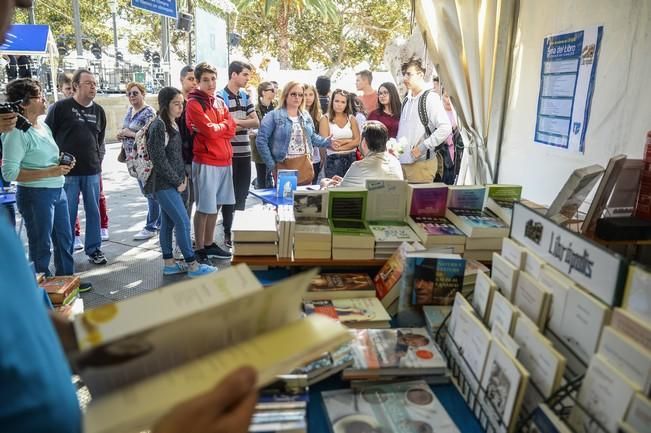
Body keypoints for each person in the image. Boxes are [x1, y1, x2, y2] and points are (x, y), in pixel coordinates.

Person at [1, 78, 75, 277]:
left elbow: (45, 155)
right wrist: (50, 172)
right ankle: (42, 292)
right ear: (23, 104)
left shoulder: (43, 126)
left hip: (56, 190)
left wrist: (60, 162)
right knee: (41, 245)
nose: (44, 98)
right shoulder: (15, 133)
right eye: (38, 95)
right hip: (35, 194)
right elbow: (9, 173)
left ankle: (66, 284)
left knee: (64, 240)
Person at [145, 87, 217, 278]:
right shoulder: (159, 126)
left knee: (168, 224)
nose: (180, 107)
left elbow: (173, 155)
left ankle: (169, 264)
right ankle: (192, 264)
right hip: (164, 184)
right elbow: (158, 159)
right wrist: (177, 180)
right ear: (165, 104)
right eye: (176, 103)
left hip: (173, 182)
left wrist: (181, 177)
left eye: (181, 103)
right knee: (183, 222)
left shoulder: (172, 123)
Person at [45, 68, 109, 265]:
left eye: (95, 83)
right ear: (75, 86)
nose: (93, 87)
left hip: (91, 171)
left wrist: (99, 159)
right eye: (88, 83)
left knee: (93, 211)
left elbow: (100, 139)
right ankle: (65, 253)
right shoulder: (60, 107)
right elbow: (47, 135)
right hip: (67, 172)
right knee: (67, 213)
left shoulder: (98, 111)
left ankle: (94, 249)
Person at [186, 62, 236, 261]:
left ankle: (209, 243)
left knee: (216, 206)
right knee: (204, 207)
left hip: (224, 159)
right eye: (205, 80)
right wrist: (221, 127)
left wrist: (220, 126)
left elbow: (231, 127)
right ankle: (199, 248)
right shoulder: (193, 103)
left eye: (213, 79)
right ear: (197, 82)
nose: (210, 83)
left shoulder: (220, 101)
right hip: (206, 160)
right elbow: (209, 131)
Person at [217, 61, 259, 248]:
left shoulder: (245, 95)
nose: (247, 78)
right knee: (228, 195)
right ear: (233, 75)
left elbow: (256, 122)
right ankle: (227, 231)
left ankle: (238, 229)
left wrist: (235, 122)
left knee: (242, 194)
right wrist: (242, 122)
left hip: (244, 152)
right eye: (244, 74)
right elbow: (225, 125)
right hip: (228, 154)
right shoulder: (220, 97)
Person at [256, 81, 332, 183]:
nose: (297, 97)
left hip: (305, 164)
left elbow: (312, 137)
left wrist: (327, 142)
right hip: (284, 164)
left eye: (300, 95)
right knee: (286, 197)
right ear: (286, 95)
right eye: (293, 94)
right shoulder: (274, 115)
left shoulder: (305, 115)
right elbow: (261, 141)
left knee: (304, 198)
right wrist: (272, 165)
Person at [396, 58, 451, 176]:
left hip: (421, 166)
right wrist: (396, 152)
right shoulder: (406, 100)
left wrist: (422, 147)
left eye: (409, 74)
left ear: (420, 75)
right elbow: (404, 133)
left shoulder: (430, 98)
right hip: (402, 165)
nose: (404, 78)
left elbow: (446, 128)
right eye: (404, 74)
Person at [118, 82, 159, 241]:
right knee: (147, 192)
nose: (132, 96)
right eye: (129, 94)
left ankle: (151, 226)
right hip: (132, 159)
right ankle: (159, 222)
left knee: (150, 193)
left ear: (143, 94)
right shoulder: (129, 111)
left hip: (144, 159)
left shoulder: (149, 113)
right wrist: (122, 134)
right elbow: (127, 129)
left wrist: (129, 133)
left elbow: (150, 136)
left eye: (135, 93)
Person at [320, 121, 402, 188]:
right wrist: (346, 181)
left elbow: (338, 194)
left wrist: (324, 186)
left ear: (364, 142)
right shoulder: (395, 162)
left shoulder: (359, 166)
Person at [318, 89, 360, 179]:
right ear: (332, 101)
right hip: (333, 160)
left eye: (343, 102)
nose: (339, 104)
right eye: (337, 101)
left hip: (352, 160)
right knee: (335, 189)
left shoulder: (352, 119)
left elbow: (357, 141)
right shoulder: (325, 119)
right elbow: (326, 142)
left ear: (346, 104)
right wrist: (349, 141)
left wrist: (340, 146)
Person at [176, 65, 197, 217]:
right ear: (181, 79)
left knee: (193, 199)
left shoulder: (197, 102)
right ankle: (182, 237)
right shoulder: (176, 103)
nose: (194, 83)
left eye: (196, 79)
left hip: (196, 157)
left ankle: (185, 234)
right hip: (180, 159)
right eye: (190, 79)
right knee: (185, 200)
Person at [250, 81, 276, 189]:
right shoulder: (255, 109)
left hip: (275, 148)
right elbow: (252, 129)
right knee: (262, 179)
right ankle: (265, 203)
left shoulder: (276, 107)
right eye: (272, 90)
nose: (275, 92)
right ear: (263, 92)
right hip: (260, 149)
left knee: (276, 177)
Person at [303, 83, 324, 184]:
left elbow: (321, 137)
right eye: (305, 94)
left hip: (315, 157)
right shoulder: (296, 112)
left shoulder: (319, 115)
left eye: (311, 94)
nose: (308, 98)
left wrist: (323, 157)